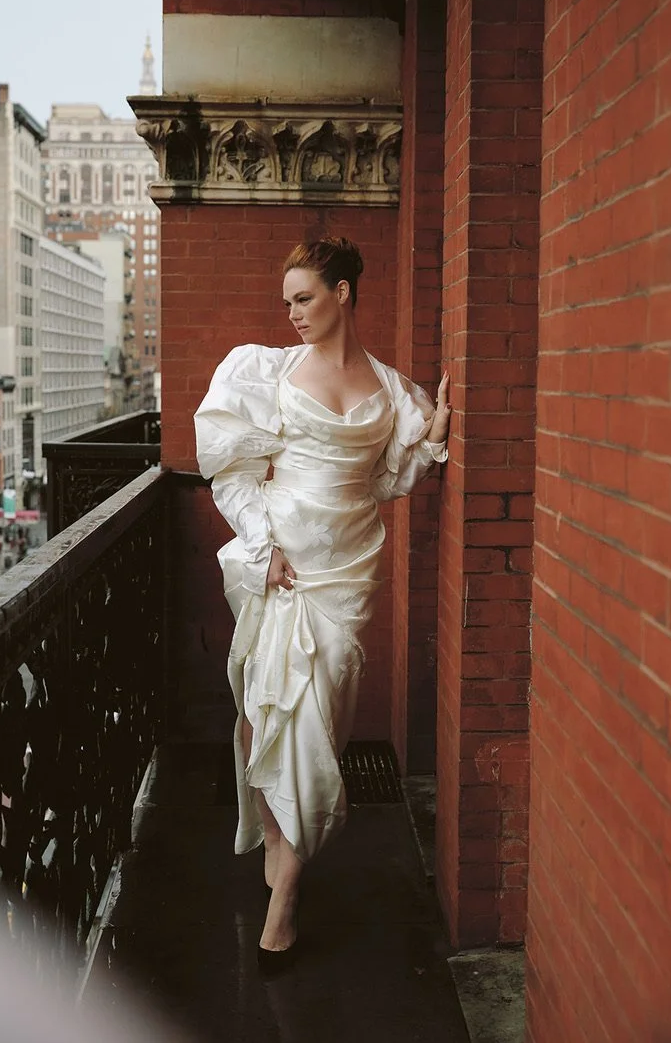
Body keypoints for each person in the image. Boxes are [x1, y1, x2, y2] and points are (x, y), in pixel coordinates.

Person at [194, 237, 451, 971]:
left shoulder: (393, 390)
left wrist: (428, 441)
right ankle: (280, 849)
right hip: (280, 564)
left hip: (346, 570)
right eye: (288, 302)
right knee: (261, 716)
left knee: (318, 719)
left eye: (305, 297)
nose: (294, 313)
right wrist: (260, 545)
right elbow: (233, 475)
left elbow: (383, 483)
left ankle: (286, 894)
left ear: (343, 292)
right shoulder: (268, 374)